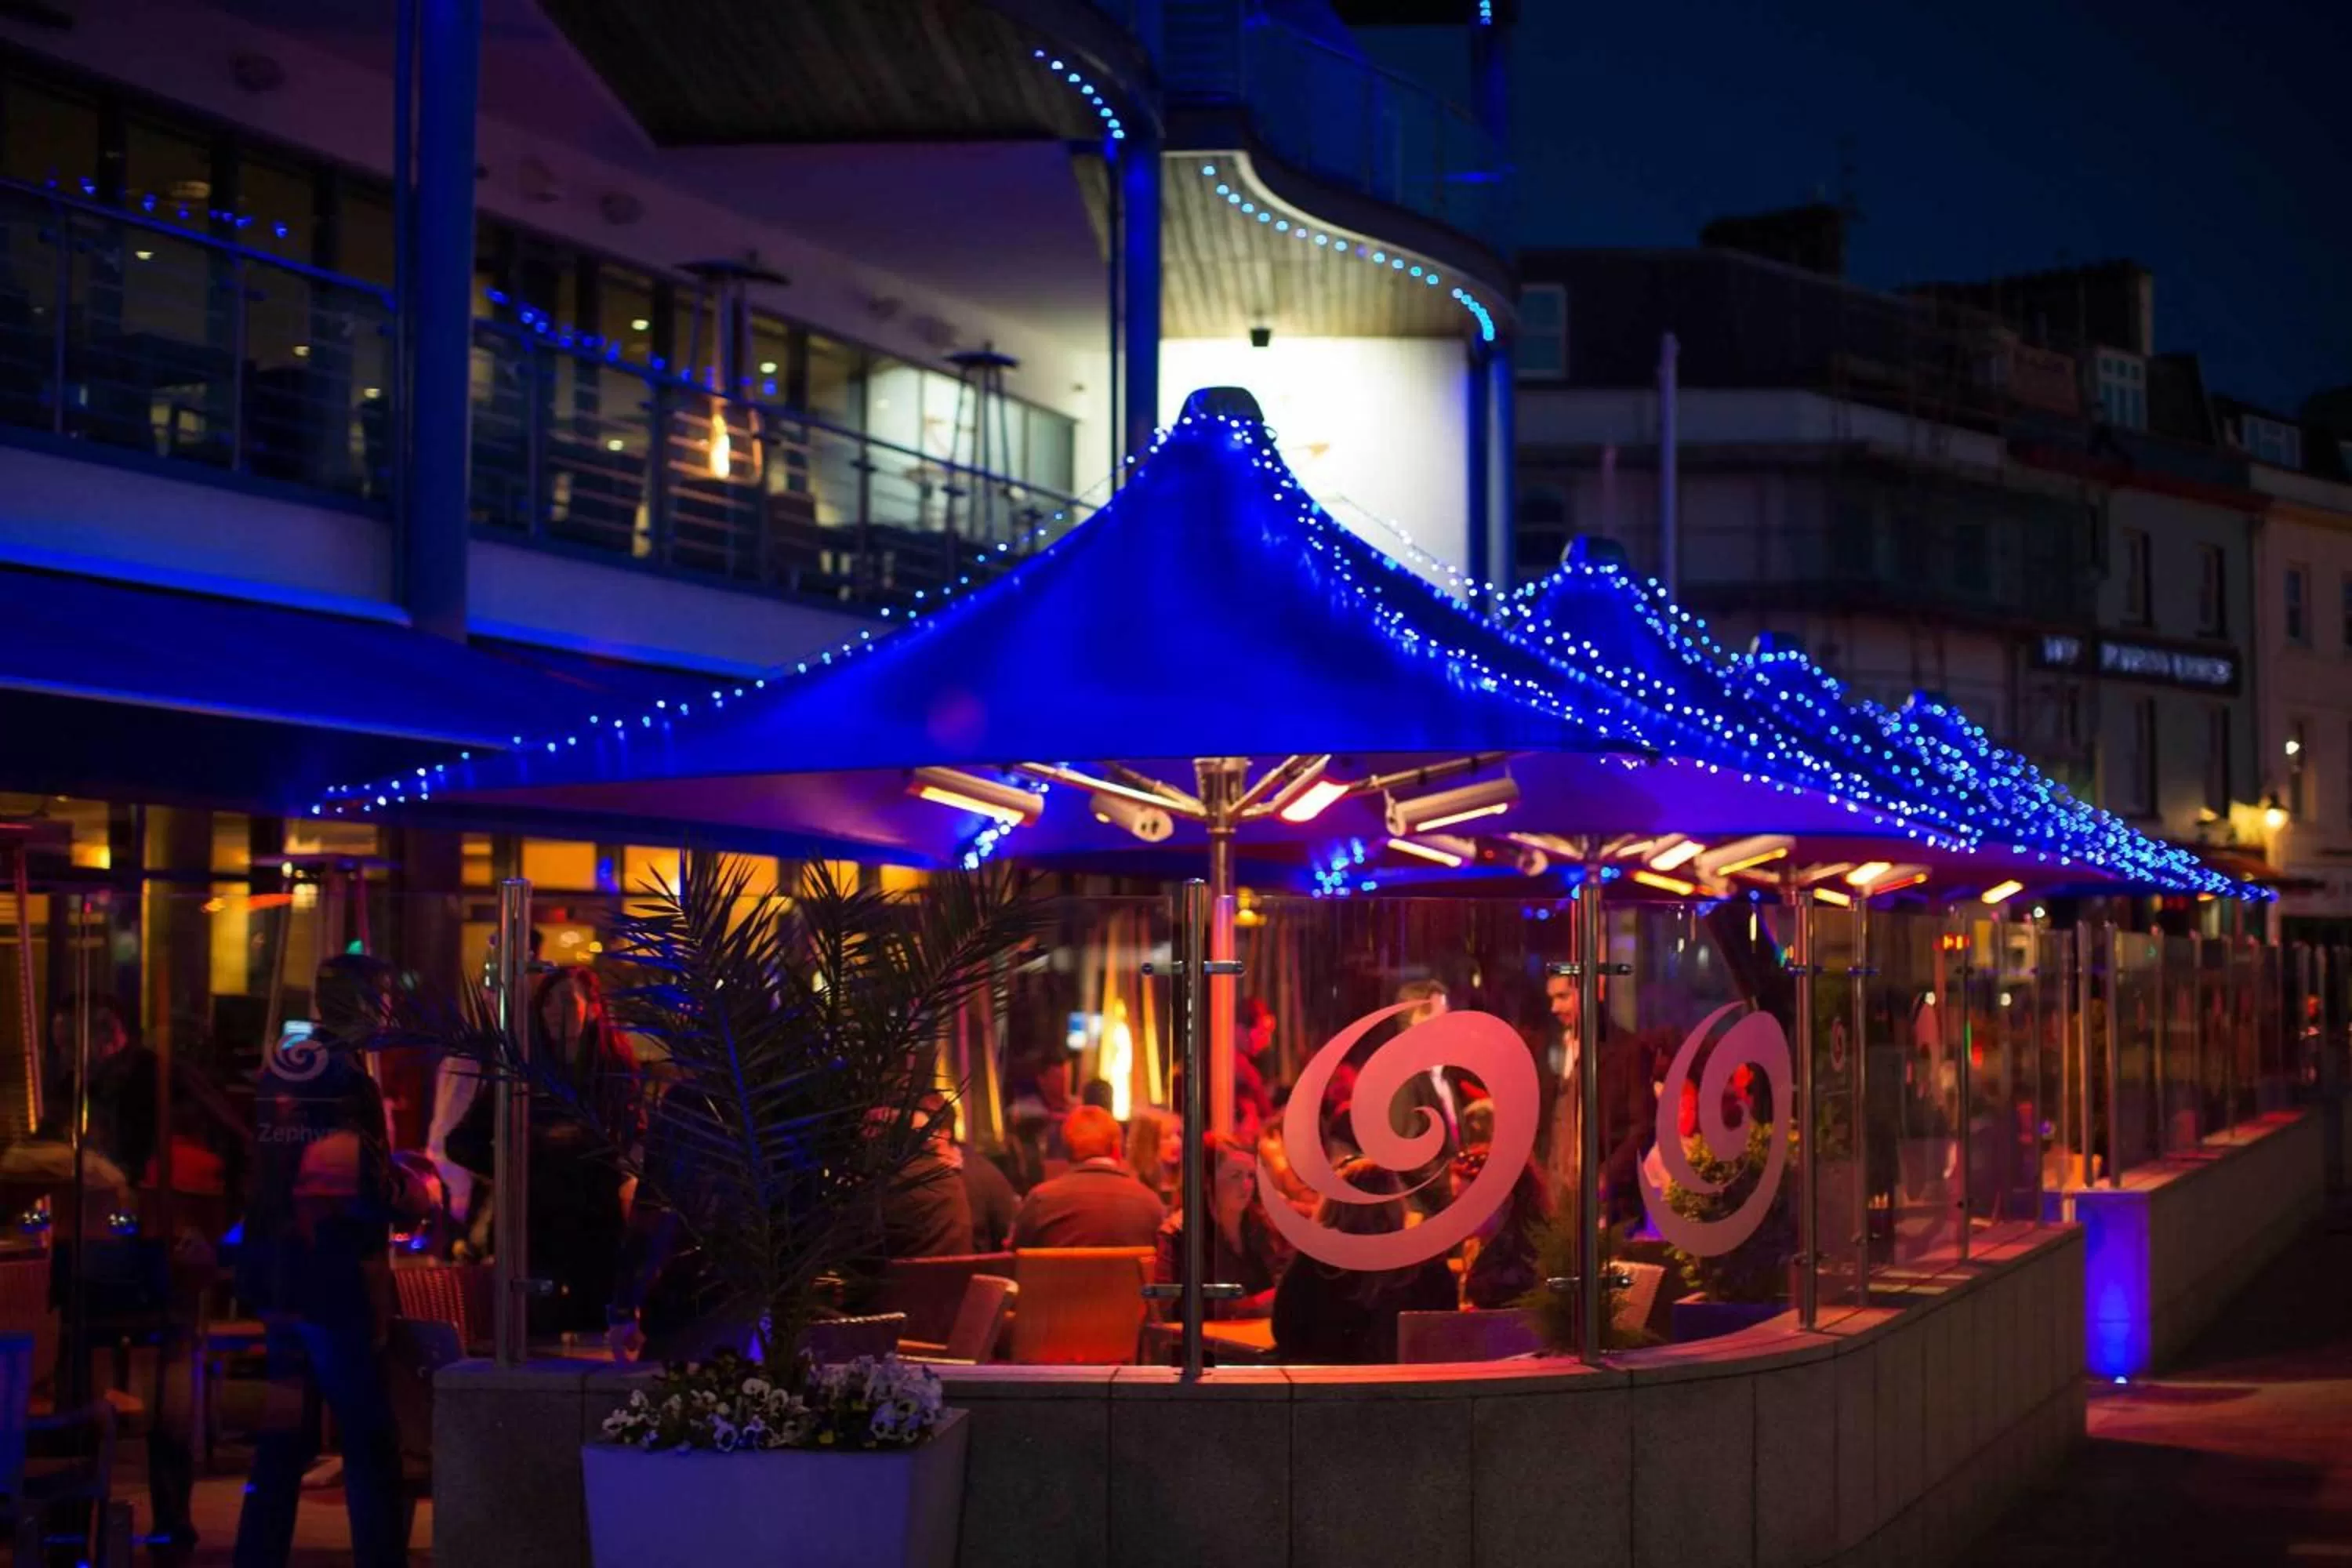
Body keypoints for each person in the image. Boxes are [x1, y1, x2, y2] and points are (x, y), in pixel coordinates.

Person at [234, 954, 429, 1568]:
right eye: (384, 1001)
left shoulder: (284, 1071)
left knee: (282, 1440)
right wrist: (413, 1197)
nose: (390, 1014)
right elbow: (357, 1191)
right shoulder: (347, 1081)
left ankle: (255, 1557)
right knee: (371, 1441)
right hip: (334, 1286)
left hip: (281, 1278)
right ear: (365, 1006)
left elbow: (275, 1176)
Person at [1270, 1158, 1456, 1364]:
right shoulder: (1425, 1262)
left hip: (1330, 1386)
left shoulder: (1316, 1260)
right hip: (1407, 1386)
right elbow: (1447, 1335)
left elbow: (1284, 1330)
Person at [1153, 1132, 1290, 1319]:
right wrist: (1250, 1307)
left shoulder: (1262, 1226)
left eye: (1250, 1176)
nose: (1247, 1185)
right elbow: (1170, 1306)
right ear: (1207, 1181)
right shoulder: (1179, 1232)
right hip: (1208, 1344)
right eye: (1235, 1176)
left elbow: (1282, 1280)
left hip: (1254, 1340)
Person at [1008, 1105, 1163, 1249]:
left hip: (1062, 1280)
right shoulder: (1150, 1203)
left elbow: (1015, 1259)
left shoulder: (1040, 1201)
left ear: (1067, 1152)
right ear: (1116, 1148)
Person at [1453, 1145, 1550, 1310]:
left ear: (1503, 1200)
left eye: (1466, 1201)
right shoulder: (1481, 1247)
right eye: (1455, 1200)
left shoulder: (1514, 1270)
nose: (1455, 1211)